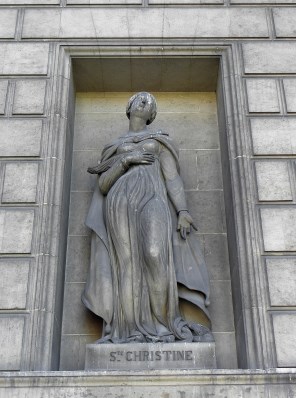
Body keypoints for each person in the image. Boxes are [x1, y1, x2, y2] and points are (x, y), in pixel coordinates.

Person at [82, 92, 213, 343]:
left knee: (155, 255)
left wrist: (182, 211)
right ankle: (130, 330)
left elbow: (172, 177)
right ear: (129, 107)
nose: (145, 101)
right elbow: (103, 185)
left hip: (153, 196)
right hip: (119, 203)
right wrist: (126, 160)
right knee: (126, 263)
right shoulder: (114, 146)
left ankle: (163, 324)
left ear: (152, 115)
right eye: (140, 98)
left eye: (150, 101)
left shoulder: (160, 140)